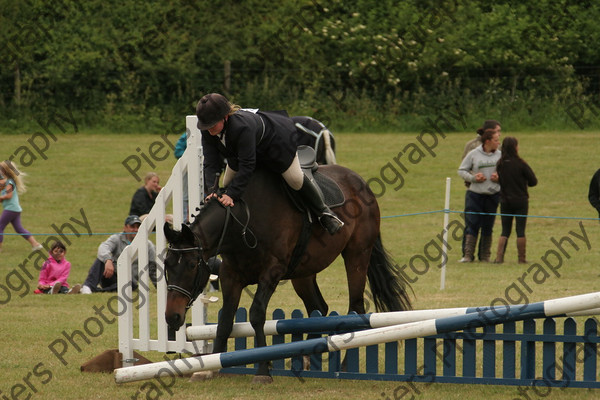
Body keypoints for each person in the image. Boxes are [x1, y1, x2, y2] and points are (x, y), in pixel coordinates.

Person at [196, 93, 343, 235]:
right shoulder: (208, 130)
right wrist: (212, 190)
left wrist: (232, 195)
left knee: (295, 179)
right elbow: (210, 162)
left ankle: (324, 213)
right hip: (241, 152)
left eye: (212, 125)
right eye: (206, 126)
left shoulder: (242, 128)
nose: (209, 130)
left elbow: (248, 164)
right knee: (227, 182)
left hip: (276, 144)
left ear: (225, 117)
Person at [80, 215, 157, 294]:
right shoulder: (116, 238)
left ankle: (96, 291)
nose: (136, 229)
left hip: (130, 281)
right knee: (100, 260)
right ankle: (88, 286)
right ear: (125, 228)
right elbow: (103, 247)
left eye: (138, 227)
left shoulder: (148, 245)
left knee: (130, 287)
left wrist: (159, 286)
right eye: (132, 226)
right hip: (111, 275)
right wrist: (108, 260)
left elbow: (152, 267)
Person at [459, 120, 501, 260]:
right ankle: (468, 255)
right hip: (475, 194)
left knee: (488, 225)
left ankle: (485, 256)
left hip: (493, 194)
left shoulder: (499, 155)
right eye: (496, 140)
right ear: (488, 141)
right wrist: (473, 178)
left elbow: (507, 172)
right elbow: (462, 170)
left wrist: (499, 178)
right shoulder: (473, 153)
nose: (498, 142)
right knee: (472, 223)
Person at [494, 137, 537, 264]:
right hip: (520, 201)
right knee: (520, 229)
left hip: (505, 200)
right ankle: (521, 258)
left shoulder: (500, 164)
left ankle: (499, 257)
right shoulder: (521, 164)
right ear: (515, 147)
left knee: (505, 229)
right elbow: (533, 181)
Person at [0, 160, 43, 252]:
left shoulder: (9, 182)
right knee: (19, 229)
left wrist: (1, 198)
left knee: (0, 227)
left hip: (10, 209)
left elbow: (8, 195)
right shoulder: (8, 182)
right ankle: (35, 244)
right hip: (15, 209)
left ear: (5, 170)